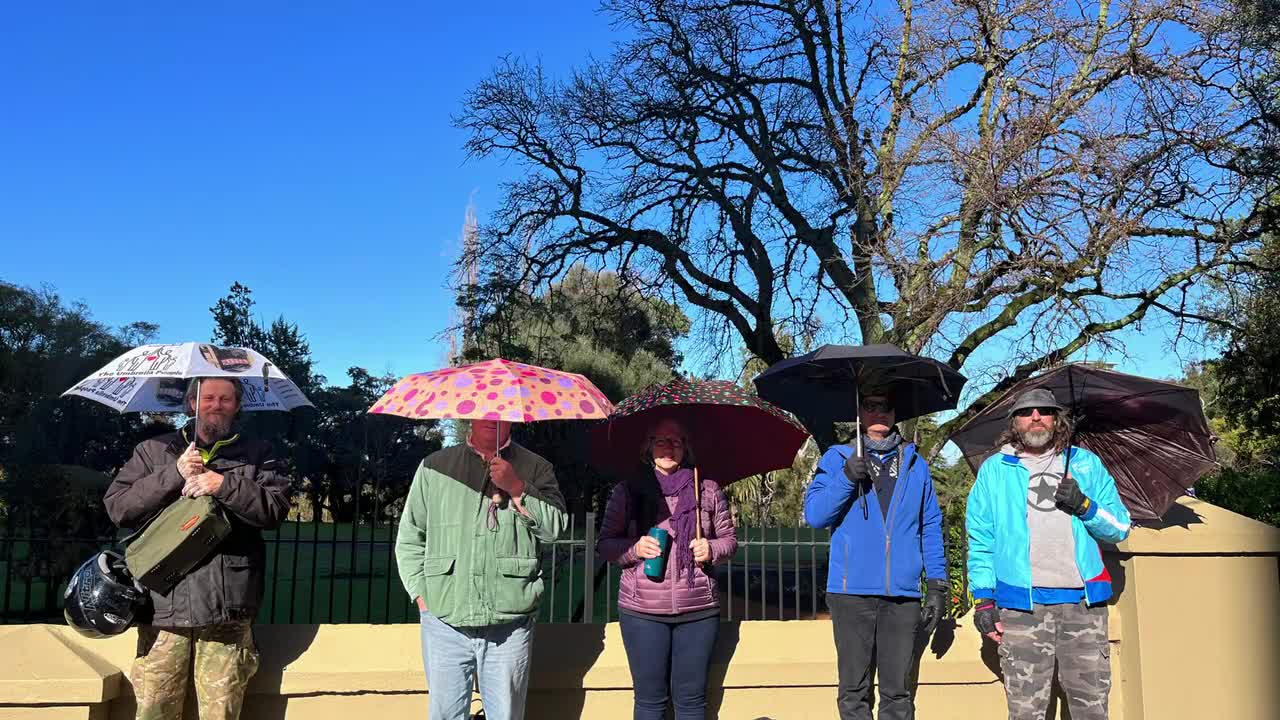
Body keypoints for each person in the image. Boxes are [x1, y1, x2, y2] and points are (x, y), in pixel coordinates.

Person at [104, 377, 291, 720]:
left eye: (225, 398)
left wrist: (224, 484)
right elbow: (119, 508)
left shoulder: (260, 454)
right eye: (208, 397)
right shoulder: (153, 451)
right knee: (154, 712)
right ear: (192, 403)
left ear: (237, 405)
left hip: (227, 611)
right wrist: (173, 474)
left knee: (221, 714)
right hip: (163, 608)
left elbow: (275, 510)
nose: (215, 405)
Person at [966, 388, 1132, 720]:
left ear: (1057, 420)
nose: (1036, 417)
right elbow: (981, 540)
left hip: (1083, 606)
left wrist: (1085, 505)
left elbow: (1120, 527)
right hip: (1021, 608)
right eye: (1027, 412)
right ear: (1015, 421)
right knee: (1026, 711)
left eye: (1045, 410)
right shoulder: (994, 470)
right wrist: (984, 599)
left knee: (1091, 709)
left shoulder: (1086, 464)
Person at [395, 419, 567, 720]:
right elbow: (410, 539)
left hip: (510, 622)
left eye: (500, 410)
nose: (492, 417)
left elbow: (554, 529)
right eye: (484, 409)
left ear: (513, 416)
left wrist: (517, 487)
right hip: (444, 619)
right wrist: (423, 598)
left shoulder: (537, 468)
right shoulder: (434, 467)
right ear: (469, 414)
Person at [804, 388, 948, 720]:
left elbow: (930, 526)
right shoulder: (837, 458)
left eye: (886, 406)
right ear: (859, 413)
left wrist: (938, 585)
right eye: (870, 406)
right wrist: (844, 479)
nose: (879, 413)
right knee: (854, 692)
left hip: (902, 595)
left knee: (898, 694)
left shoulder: (915, 464)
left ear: (896, 414)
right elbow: (815, 516)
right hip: (850, 593)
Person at [597, 417, 738, 720]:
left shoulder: (707, 489)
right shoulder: (628, 490)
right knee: (650, 702)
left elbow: (730, 540)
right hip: (642, 612)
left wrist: (711, 549)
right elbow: (606, 544)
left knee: (691, 702)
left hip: (698, 611)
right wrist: (635, 549)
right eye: (660, 440)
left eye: (676, 441)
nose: (668, 447)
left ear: (685, 448)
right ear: (648, 447)